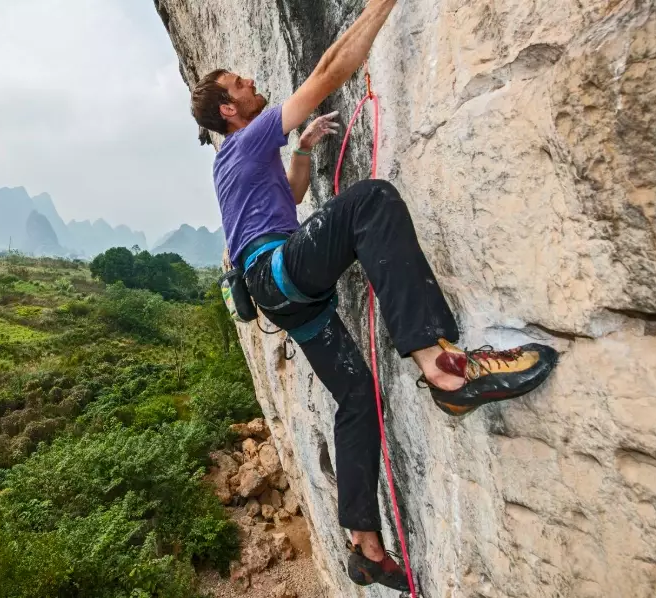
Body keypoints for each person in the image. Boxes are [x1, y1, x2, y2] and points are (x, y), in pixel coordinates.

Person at [190, 0, 558, 591]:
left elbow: (287, 195)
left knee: (358, 395)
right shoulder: (251, 133)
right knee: (371, 199)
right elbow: (330, 71)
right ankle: (442, 367)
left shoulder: (231, 160)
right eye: (242, 83)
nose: (253, 82)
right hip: (281, 273)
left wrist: (304, 147)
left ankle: (365, 544)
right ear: (230, 110)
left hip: (284, 295)